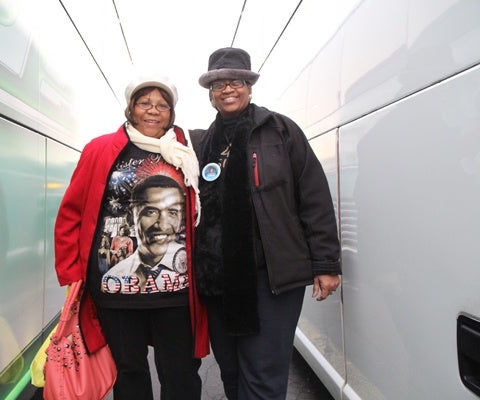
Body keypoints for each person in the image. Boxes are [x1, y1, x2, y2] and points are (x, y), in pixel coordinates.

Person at [190, 47, 341, 400]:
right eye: (219, 84)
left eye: (236, 81)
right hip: (218, 280)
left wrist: (326, 263)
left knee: (263, 372)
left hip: (270, 277)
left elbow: (314, 197)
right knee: (231, 370)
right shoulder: (201, 143)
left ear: (250, 86)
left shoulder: (279, 131)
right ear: (210, 94)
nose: (228, 89)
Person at [53, 75, 208, 400]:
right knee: (129, 372)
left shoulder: (187, 152)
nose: (153, 111)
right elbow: (72, 211)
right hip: (115, 290)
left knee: (180, 374)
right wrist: (71, 273)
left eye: (162, 105)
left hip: (176, 292)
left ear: (172, 112)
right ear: (131, 108)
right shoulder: (99, 149)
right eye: (145, 103)